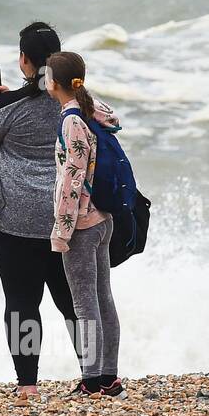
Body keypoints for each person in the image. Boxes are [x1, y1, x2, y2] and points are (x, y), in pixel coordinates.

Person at [0, 22, 80, 399]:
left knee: (21, 301)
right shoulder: (74, 102)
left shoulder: (6, 105)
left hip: (15, 221)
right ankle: (95, 376)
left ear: (24, 61)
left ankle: (28, 385)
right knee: (73, 301)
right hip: (65, 218)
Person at [45, 51, 124, 398]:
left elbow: (71, 181)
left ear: (54, 84)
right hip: (103, 221)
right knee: (103, 298)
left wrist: (61, 232)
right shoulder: (93, 112)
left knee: (85, 304)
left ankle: (92, 381)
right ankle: (109, 379)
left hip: (83, 225)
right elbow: (114, 117)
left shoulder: (71, 122)